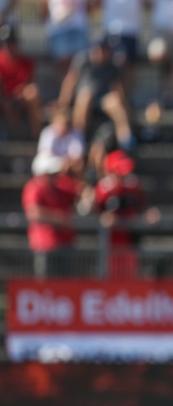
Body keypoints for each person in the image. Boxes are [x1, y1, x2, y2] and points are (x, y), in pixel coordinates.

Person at [57, 36, 134, 149]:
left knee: (115, 102)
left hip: (103, 100)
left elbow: (117, 88)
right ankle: (78, 141)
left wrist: (123, 104)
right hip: (84, 98)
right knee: (85, 97)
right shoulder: (82, 61)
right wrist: (63, 103)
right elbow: (70, 81)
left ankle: (126, 140)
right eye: (97, 50)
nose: (100, 53)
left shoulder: (112, 65)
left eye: (103, 50)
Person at [92, 149, 158, 279]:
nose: (123, 176)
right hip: (110, 243)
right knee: (110, 277)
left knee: (129, 276)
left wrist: (149, 214)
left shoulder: (133, 186)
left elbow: (143, 206)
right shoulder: (103, 190)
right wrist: (102, 218)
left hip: (129, 241)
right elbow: (94, 214)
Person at [22, 154, 78, 278]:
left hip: (65, 244)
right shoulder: (34, 187)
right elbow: (33, 212)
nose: (55, 176)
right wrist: (59, 219)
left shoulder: (61, 187)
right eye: (51, 174)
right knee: (46, 284)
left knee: (67, 284)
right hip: (45, 245)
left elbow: (78, 196)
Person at [0, 24, 42, 138]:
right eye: (7, 43)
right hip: (4, 97)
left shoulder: (26, 61)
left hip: (20, 97)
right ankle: (14, 136)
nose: (9, 46)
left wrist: (20, 91)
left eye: (12, 42)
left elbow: (32, 83)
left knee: (32, 93)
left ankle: (36, 137)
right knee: (6, 103)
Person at [42, 0, 92, 77]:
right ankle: (65, 82)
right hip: (58, 29)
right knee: (62, 60)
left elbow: (89, 6)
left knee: (80, 61)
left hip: (78, 28)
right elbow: (44, 7)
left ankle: (72, 82)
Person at [35, 108, 85, 176]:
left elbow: (77, 156)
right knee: (39, 163)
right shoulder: (47, 132)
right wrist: (61, 162)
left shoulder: (76, 134)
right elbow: (46, 153)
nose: (61, 126)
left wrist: (67, 162)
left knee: (79, 165)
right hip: (53, 162)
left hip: (70, 165)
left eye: (64, 123)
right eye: (59, 123)